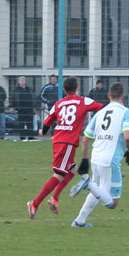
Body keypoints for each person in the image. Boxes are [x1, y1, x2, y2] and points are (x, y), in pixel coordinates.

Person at [26, 77, 104, 220]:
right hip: (67, 142)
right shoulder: (83, 101)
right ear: (78, 88)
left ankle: (55, 198)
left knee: (72, 170)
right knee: (58, 175)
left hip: (59, 140)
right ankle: (35, 203)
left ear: (63, 90)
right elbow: (102, 107)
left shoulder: (58, 103)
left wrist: (42, 131)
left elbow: (47, 123)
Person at [67, 82, 129, 227]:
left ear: (108, 96)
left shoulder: (99, 113)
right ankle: (88, 184)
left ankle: (79, 221)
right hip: (110, 160)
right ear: (123, 97)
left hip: (96, 157)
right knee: (113, 203)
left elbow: (85, 140)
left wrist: (85, 160)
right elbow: (128, 136)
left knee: (98, 190)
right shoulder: (126, 112)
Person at [10, 76, 35, 141]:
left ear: (25, 81)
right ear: (19, 81)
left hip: (29, 108)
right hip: (20, 108)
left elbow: (33, 97)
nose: (22, 81)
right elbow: (12, 98)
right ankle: (22, 136)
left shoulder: (29, 89)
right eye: (21, 80)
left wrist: (34, 106)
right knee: (21, 123)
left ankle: (31, 136)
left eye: (23, 80)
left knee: (30, 123)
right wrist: (12, 106)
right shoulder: (16, 90)